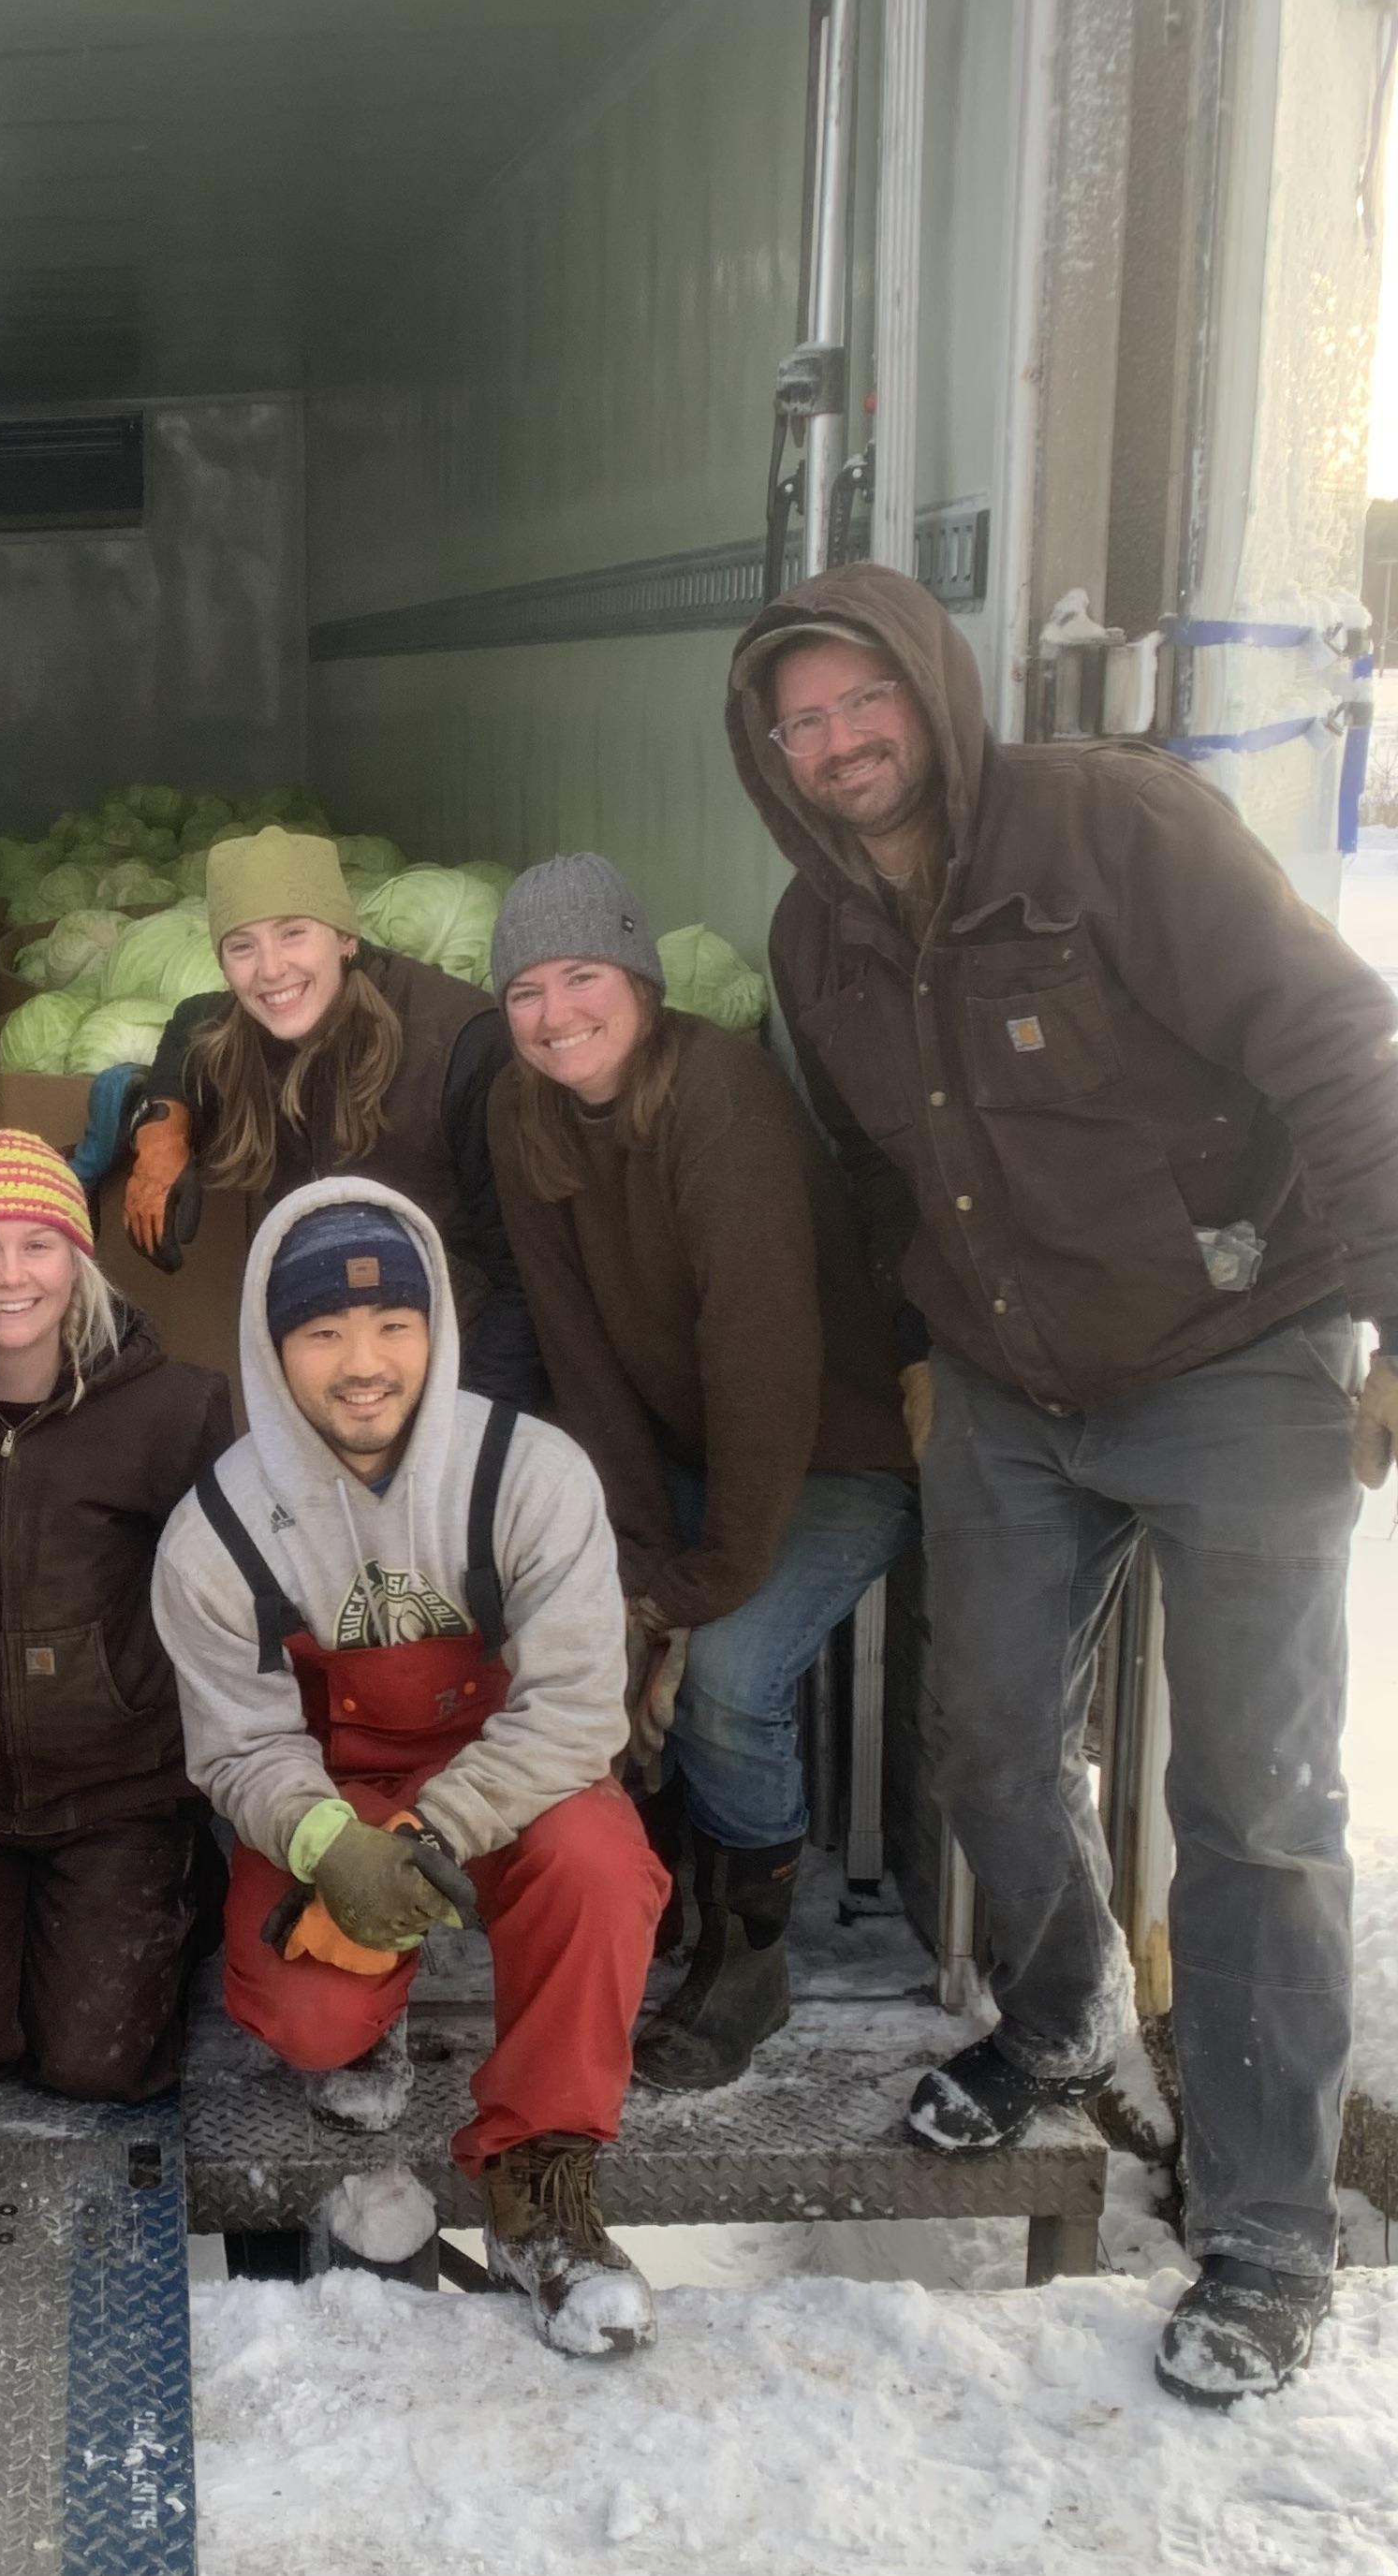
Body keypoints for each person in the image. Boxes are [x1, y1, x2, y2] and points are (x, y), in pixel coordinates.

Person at [728, 560, 1398, 2407]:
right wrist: (931, 1354)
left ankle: (1265, 2225)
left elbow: (1340, 1046)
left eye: (865, 704)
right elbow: (874, 1177)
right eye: (802, 722)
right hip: (1016, 1388)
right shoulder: (813, 934)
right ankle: (1059, 2006)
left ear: (935, 695)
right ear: (766, 752)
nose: (841, 743)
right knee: (990, 1731)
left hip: (1238, 1351)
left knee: (1255, 1801)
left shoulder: (1113, 832)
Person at [153, 1179, 668, 2356]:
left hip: (508, 1787)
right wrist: (336, 1848)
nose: (362, 1361)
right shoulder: (218, 1531)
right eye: (322, 1331)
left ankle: (543, 2181)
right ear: (272, 1348)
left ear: (436, 1327)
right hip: (329, 1803)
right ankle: (366, 2014)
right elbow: (237, 1741)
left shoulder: (530, 1477)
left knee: (598, 1862)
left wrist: (434, 1837)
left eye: (392, 1325)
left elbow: (578, 1708)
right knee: (309, 2016)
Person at [485, 853, 918, 2091]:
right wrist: (622, 1549)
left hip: (827, 1447)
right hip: (676, 1447)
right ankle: (644, 1898)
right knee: (564, 1615)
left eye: (582, 976)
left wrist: (703, 1576)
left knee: (726, 1675)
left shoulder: (720, 1095)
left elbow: (763, 1351)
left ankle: (748, 1958)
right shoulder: (525, 1115)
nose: (556, 1012)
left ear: (642, 979)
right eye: (525, 988)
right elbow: (577, 1346)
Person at [0, 1129, 234, 2100]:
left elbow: (237, 1605)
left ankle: (180, 1899)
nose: (12, 1274)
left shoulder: (173, 1410)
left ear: (78, 1261)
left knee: (94, 2065)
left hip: (116, 1790)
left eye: (38, 1243)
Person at [124, 827, 538, 1405]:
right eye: (241, 946)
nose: (270, 970)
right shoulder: (249, 1029)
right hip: (324, 1377)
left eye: (293, 932)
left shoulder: (462, 1046)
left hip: (451, 1373)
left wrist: (472, 1432)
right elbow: (191, 1023)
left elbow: (523, 1278)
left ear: (345, 937)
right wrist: (161, 1130)